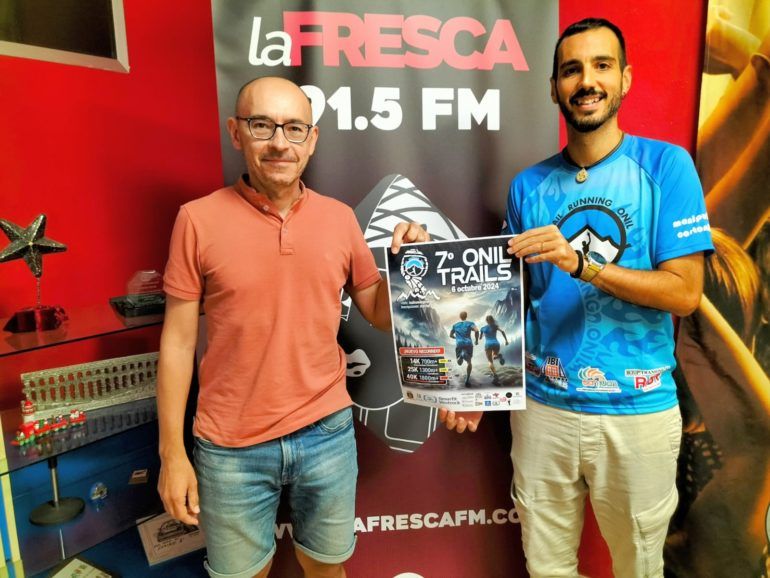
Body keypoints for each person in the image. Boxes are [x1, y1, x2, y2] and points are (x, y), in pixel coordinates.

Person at [440, 18, 714, 578]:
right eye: (571, 69)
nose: (586, 80)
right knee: (546, 566)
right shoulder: (528, 186)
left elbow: (685, 293)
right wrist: (474, 386)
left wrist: (583, 264)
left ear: (625, 79)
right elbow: (510, 299)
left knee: (639, 566)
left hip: (637, 411)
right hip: (543, 411)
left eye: (601, 65)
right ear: (554, 88)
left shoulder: (666, 167)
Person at [156, 76, 427, 578]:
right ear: (236, 132)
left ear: (312, 139)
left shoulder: (339, 218)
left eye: (295, 128)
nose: (280, 142)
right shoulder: (196, 220)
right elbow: (176, 343)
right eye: (263, 125)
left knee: (326, 568)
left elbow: (377, 311)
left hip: (326, 432)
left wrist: (413, 266)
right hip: (229, 446)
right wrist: (172, 454)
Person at [449, 311, 479, 386]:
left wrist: (456, 338)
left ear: (460, 317)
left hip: (459, 344)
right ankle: (467, 380)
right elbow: (476, 330)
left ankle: (461, 356)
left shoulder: (455, 325)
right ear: (466, 316)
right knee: (469, 362)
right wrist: (476, 340)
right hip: (468, 344)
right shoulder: (470, 323)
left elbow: (450, 335)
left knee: (459, 363)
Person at [479, 315, 508, 383]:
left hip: (488, 345)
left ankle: (495, 375)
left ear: (486, 321)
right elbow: (502, 331)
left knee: (490, 361)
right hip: (496, 343)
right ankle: (497, 356)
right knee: (494, 355)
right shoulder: (495, 326)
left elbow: (480, 338)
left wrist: (483, 335)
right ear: (492, 320)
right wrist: (506, 340)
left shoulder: (483, 328)